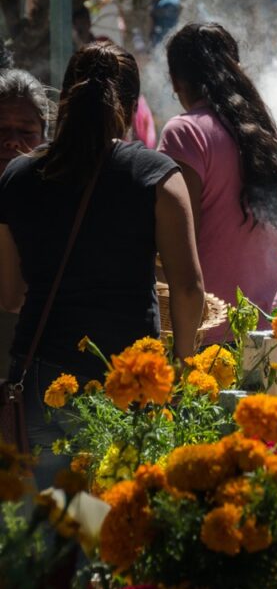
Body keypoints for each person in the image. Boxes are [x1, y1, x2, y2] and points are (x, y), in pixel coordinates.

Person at [0, 40, 204, 490]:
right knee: (113, 527)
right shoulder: (156, 176)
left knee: (52, 530)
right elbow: (188, 289)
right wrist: (185, 366)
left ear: (65, 101)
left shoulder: (16, 177)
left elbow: (11, 295)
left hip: (41, 380)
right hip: (125, 381)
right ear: (131, 108)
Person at [159, 23, 277, 343]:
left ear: (176, 81)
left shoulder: (184, 132)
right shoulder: (263, 133)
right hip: (273, 333)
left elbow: (178, 241)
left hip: (212, 339)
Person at [0, 69, 50, 379]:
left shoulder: (59, 200)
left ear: (45, 136)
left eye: (26, 131)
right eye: (1, 129)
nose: (12, 142)